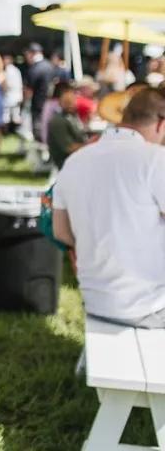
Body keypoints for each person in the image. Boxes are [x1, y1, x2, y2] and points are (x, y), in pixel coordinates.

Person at [53, 88, 165, 328]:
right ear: (161, 124)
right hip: (150, 307)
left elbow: (60, 232)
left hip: (95, 302)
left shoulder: (75, 161)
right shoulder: (155, 158)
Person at [46, 81, 89, 171]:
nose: (71, 105)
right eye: (67, 102)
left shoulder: (70, 116)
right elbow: (68, 148)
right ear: (60, 102)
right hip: (66, 161)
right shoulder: (58, 120)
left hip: (76, 156)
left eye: (72, 101)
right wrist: (90, 145)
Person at [24, 43, 59, 143]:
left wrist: (24, 104)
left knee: (38, 130)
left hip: (38, 105)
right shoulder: (50, 66)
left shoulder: (34, 68)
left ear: (31, 54)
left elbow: (28, 90)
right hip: (51, 104)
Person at [2, 54, 26, 151]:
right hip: (17, 95)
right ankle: (20, 132)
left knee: (7, 117)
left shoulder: (8, 70)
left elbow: (8, 85)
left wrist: (2, 88)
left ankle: (8, 133)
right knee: (16, 116)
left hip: (10, 96)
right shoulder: (16, 70)